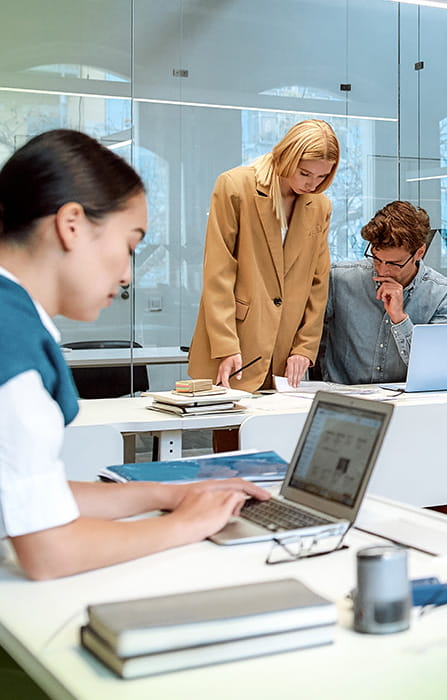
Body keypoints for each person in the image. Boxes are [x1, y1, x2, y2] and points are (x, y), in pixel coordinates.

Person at [0, 129, 268, 580]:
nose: (127, 275)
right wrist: (189, 524)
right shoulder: (14, 350)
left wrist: (167, 494)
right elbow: (49, 552)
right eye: (129, 245)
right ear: (71, 225)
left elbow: (28, 494)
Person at [187, 119, 340, 392]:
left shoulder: (320, 205)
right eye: (305, 173)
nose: (313, 184)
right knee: (232, 433)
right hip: (235, 346)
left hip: (284, 355)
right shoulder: (235, 186)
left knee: (277, 434)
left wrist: (305, 348)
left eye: (322, 177)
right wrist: (225, 345)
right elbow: (218, 273)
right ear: (287, 156)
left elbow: (318, 283)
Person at [320, 201, 447, 385]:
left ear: (419, 252)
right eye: (377, 259)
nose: (383, 270)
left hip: (407, 404)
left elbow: (434, 367)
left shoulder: (445, 295)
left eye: (394, 263)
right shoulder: (339, 279)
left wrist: (400, 319)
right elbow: (305, 335)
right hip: (342, 400)